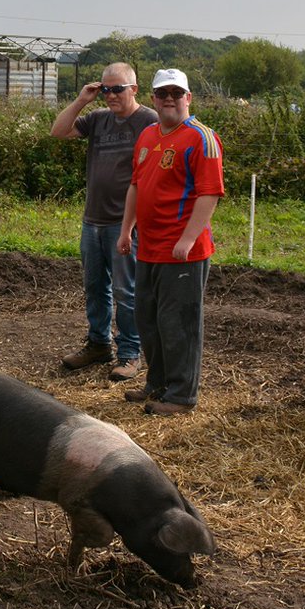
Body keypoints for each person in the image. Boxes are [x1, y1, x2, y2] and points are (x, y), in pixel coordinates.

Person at [116, 69, 224, 416]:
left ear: (188, 98)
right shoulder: (148, 135)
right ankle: (157, 383)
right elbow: (136, 185)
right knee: (148, 320)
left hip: (182, 251)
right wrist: (126, 229)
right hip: (148, 246)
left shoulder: (200, 138)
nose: (169, 99)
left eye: (177, 93)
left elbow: (210, 193)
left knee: (179, 324)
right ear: (153, 98)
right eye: (163, 94)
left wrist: (188, 238)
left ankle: (181, 396)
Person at [50, 62, 158, 380]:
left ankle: (129, 353)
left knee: (127, 291)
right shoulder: (98, 119)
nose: (110, 95)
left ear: (134, 89)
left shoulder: (148, 121)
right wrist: (82, 99)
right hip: (92, 219)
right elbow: (58, 131)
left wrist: (133, 222)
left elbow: (150, 175)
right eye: (106, 89)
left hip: (124, 223)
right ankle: (99, 344)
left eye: (117, 89)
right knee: (95, 287)